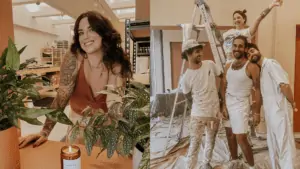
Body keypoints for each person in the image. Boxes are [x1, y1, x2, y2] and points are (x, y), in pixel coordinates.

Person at [18, 11, 133, 148]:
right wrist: (44, 132)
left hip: (108, 133)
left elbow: (114, 103)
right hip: (78, 131)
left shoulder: (116, 62)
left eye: (91, 30)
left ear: (103, 33)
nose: (86, 37)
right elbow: (61, 97)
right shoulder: (74, 58)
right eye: (81, 32)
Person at [247, 43, 297, 169]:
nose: (251, 54)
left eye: (252, 51)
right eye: (248, 54)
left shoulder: (270, 64)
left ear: (258, 50)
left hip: (280, 110)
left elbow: (284, 85)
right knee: (273, 143)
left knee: (284, 143)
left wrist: (292, 101)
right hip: (271, 113)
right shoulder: (262, 70)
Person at [181, 39, 223, 169]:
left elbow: (222, 76)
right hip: (198, 116)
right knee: (194, 144)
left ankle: (206, 163)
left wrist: (220, 94)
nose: (201, 54)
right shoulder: (186, 78)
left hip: (213, 114)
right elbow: (188, 99)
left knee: (211, 139)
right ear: (188, 54)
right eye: (197, 51)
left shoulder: (210, 64)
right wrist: (197, 109)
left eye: (200, 51)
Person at [221, 35, 262, 169]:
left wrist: (256, 112)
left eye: (240, 46)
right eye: (235, 46)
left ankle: (251, 166)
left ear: (245, 48)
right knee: (230, 134)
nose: (237, 48)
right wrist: (223, 106)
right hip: (228, 102)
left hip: (241, 104)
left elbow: (257, 90)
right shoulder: (228, 65)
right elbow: (223, 85)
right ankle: (234, 161)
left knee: (241, 138)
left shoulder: (251, 66)